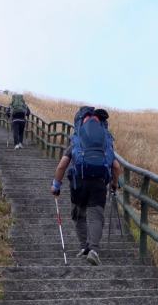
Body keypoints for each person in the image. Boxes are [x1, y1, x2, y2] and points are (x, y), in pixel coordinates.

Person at [50, 107, 122, 266]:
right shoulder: (105, 142)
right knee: (96, 216)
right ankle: (94, 250)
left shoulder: (77, 140)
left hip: (79, 181)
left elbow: (62, 165)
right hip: (99, 183)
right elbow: (116, 167)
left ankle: (84, 247)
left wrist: (56, 185)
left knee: (79, 214)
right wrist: (114, 185)